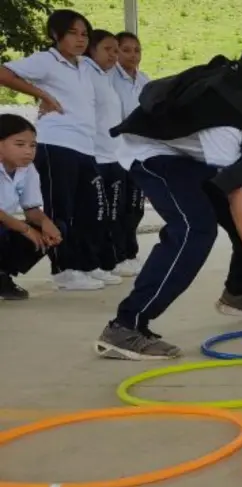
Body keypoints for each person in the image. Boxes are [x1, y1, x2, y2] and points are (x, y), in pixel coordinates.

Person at [94, 36, 242, 360]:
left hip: (192, 156)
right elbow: (236, 199)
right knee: (195, 227)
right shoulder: (226, 122)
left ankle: (237, 292)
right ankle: (126, 326)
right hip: (151, 152)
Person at [0, 9, 113, 290]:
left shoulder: (85, 66)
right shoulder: (46, 61)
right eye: (72, 33)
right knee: (61, 208)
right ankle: (64, 269)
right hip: (57, 143)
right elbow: (3, 72)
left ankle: (85, 264)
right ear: (55, 35)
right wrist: (42, 94)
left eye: (84, 34)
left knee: (89, 209)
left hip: (85, 146)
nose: (80, 39)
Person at [0, 114, 62, 299]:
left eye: (32, 145)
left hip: (6, 225)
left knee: (53, 229)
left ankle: (3, 276)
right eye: (19, 144)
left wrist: (46, 223)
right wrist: (25, 229)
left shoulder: (28, 169)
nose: (28, 151)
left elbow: (32, 210)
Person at [84, 30, 126, 280]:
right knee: (96, 214)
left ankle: (106, 261)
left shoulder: (105, 76)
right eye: (108, 49)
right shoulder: (85, 72)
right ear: (92, 49)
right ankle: (91, 263)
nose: (114, 55)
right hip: (95, 155)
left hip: (114, 156)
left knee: (112, 214)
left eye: (115, 49)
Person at [110, 31, 151, 277]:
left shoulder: (144, 80)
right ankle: (114, 256)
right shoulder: (109, 78)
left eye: (137, 50)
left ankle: (130, 253)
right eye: (126, 50)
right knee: (117, 205)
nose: (132, 55)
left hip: (138, 152)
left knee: (135, 207)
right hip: (114, 150)